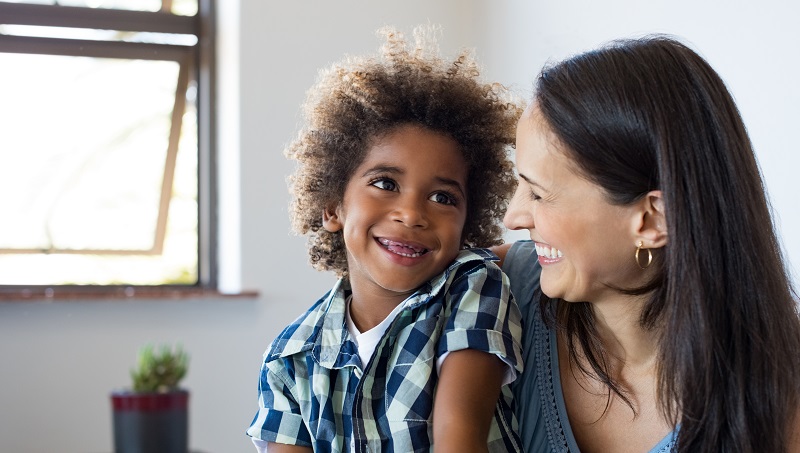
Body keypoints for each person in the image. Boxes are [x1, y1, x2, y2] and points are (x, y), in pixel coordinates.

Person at [495, 35, 800, 453]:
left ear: (653, 219)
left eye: (538, 193)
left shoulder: (783, 396)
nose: (513, 218)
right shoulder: (498, 294)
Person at [246, 26, 525, 453]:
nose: (412, 214)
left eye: (442, 197)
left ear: (468, 223)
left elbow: (459, 437)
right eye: (385, 183)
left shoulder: (474, 285)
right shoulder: (290, 357)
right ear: (333, 208)